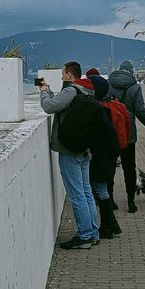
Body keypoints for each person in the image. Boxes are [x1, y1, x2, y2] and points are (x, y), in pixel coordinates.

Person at [39, 61, 100, 249]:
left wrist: (43, 92)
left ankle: (84, 237)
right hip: (84, 149)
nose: (61, 76)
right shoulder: (84, 91)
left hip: (69, 151)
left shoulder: (70, 91)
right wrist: (49, 91)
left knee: (77, 195)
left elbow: (49, 107)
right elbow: (57, 104)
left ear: (69, 75)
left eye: (63, 73)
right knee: (87, 192)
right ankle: (93, 233)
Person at [106, 60, 145, 213]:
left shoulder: (108, 84)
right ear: (131, 71)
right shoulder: (135, 87)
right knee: (129, 168)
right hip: (128, 134)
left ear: (120, 70)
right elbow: (140, 111)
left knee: (110, 167)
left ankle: (111, 201)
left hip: (111, 132)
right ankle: (131, 202)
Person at [88, 74, 122, 238]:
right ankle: (112, 224)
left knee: (101, 191)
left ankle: (108, 227)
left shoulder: (98, 110)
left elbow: (108, 135)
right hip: (106, 158)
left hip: (101, 159)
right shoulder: (104, 108)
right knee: (102, 191)